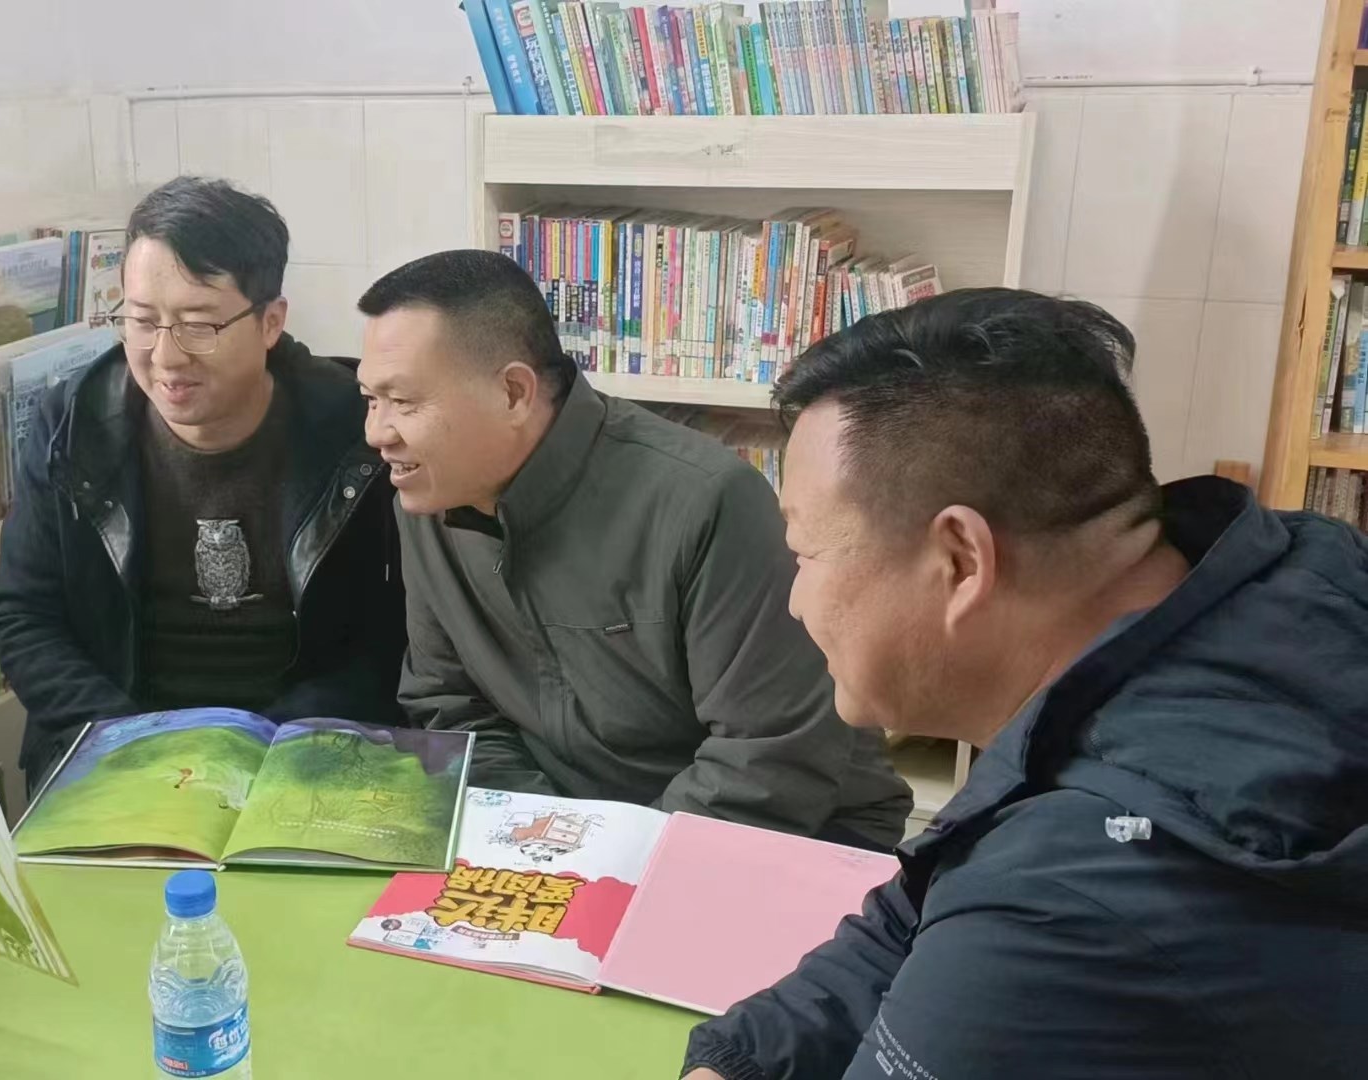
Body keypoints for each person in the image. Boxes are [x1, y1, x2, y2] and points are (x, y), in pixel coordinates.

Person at [682, 288, 1368, 1080]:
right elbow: (916, 908)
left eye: (805, 554)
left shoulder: (1066, 896)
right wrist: (741, 1059)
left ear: (960, 561)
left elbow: (1001, 912)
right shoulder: (1277, 574)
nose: (794, 601)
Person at [359, 249, 911, 850]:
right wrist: (539, 841)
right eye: (370, 399)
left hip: (780, 836)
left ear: (514, 392)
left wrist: (608, 860)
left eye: (404, 402)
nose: (376, 432)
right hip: (566, 845)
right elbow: (450, 706)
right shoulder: (430, 500)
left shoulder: (705, 500)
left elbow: (770, 756)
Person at [0, 177, 405, 788]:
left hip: (304, 753)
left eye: (199, 325)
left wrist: (268, 748)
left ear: (270, 322)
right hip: (116, 752)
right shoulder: (72, 425)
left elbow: (392, 633)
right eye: (141, 321)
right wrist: (133, 742)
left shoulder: (356, 432)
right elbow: (24, 617)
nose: (166, 356)